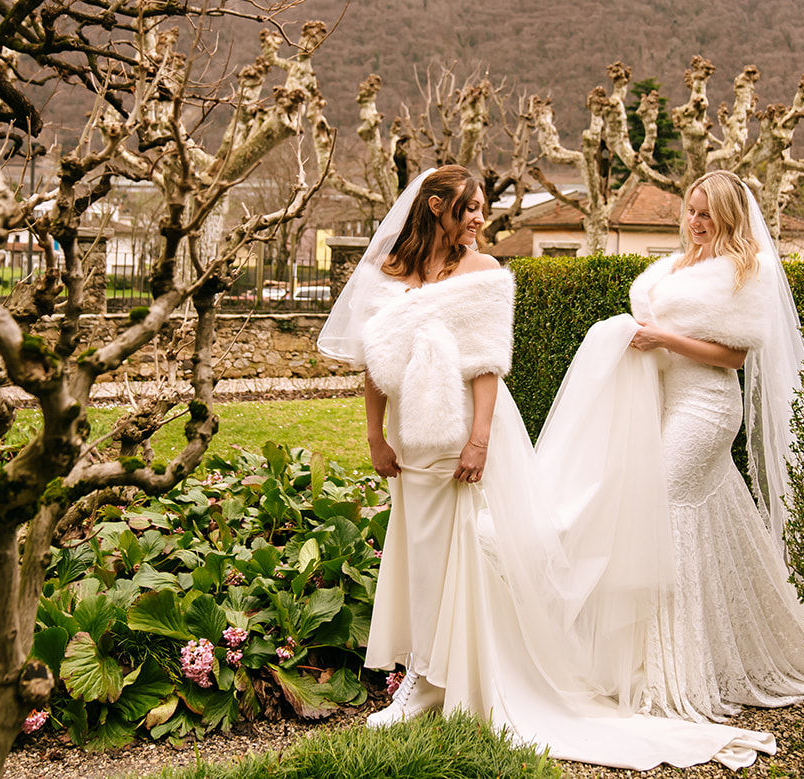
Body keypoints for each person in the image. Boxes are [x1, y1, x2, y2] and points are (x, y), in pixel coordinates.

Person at [316, 164, 775, 770]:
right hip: (412, 429)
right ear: (433, 208)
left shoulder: (484, 272)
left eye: (703, 213)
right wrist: (374, 434)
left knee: (480, 544)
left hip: (497, 425)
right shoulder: (392, 273)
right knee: (417, 549)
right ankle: (423, 673)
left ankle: (470, 674)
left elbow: (486, 363)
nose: (482, 217)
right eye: (472, 206)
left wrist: (480, 438)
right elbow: (374, 358)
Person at [538, 169, 804, 723]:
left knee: (664, 509)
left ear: (729, 217)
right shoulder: (675, 267)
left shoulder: (745, 270)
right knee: (704, 513)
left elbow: (734, 357)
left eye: (707, 213)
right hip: (667, 400)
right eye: (691, 210)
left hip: (709, 406)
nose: (696, 222)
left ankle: (677, 666)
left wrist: (663, 338)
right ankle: (721, 646)